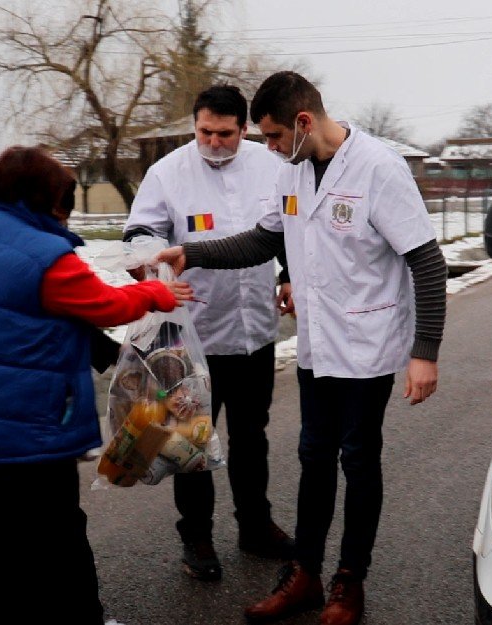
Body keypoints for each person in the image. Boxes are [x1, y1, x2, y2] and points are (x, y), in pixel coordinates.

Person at [154, 71, 447, 625]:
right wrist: (190, 254)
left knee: (358, 461)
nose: (264, 147)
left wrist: (424, 350)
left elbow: (426, 261)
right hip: (318, 343)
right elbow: (266, 238)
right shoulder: (292, 172)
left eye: (270, 136)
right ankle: (306, 574)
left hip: (367, 343)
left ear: (303, 123)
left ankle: (349, 581)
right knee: (314, 458)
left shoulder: (379, 169)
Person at [0, 145, 191, 625]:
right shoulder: (46, 256)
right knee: (57, 532)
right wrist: (156, 292)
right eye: (61, 204)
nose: (64, 216)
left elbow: (37, 320)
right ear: (41, 199)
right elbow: (103, 306)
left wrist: (118, 360)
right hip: (25, 426)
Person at [122, 84, 295, 582]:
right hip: (189, 334)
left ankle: (255, 527)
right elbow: (140, 233)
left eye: (225, 134)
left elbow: (286, 230)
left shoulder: (273, 165)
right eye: (205, 132)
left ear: (245, 129)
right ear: (194, 125)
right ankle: (196, 537)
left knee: (250, 437)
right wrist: (152, 265)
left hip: (253, 333)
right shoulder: (167, 172)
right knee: (186, 442)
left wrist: (289, 274)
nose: (214, 142)